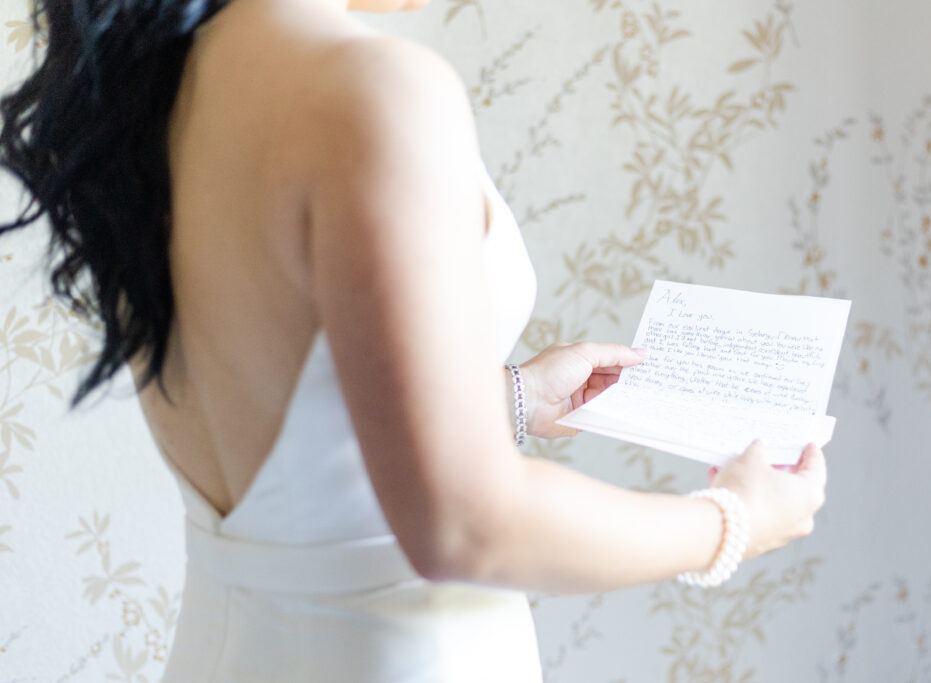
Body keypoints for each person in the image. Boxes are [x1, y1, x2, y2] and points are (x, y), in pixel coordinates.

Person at [0, 0, 827, 680]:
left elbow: (287, 427)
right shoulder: (373, 90)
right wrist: (732, 520)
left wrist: (508, 399)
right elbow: (465, 524)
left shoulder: (150, 82)